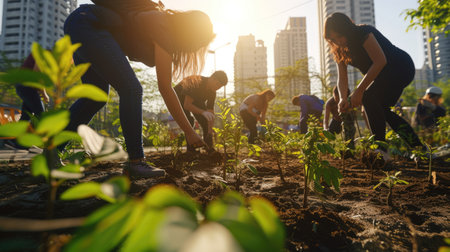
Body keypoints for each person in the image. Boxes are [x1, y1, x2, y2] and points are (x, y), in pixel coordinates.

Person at [63, 1, 215, 178]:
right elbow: (165, 88)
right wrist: (189, 132)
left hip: (80, 23)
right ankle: (136, 161)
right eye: (200, 42)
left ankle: (52, 152)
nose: (197, 48)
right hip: (88, 25)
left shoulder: (163, 27)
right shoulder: (163, 26)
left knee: (95, 97)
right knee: (131, 89)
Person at [324, 12, 426, 160]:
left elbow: (380, 61)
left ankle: (381, 151)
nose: (338, 41)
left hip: (401, 67)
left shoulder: (363, 32)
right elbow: (342, 78)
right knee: (381, 110)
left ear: (347, 29)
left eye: (340, 36)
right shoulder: (339, 49)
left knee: (368, 97)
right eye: (333, 39)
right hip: (383, 75)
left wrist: (359, 91)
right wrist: (342, 99)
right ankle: (419, 149)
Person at [174, 70, 228, 152]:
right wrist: (203, 112)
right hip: (178, 97)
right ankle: (191, 150)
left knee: (206, 121)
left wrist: (210, 131)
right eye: (217, 84)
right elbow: (187, 105)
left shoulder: (212, 92)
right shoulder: (196, 82)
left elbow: (210, 112)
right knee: (189, 121)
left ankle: (209, 147)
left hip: (195, 99)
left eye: (220, 87)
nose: (217, 88)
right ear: (212, 78)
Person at [4, 53, 49, 151]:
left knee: (26, 116)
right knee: (40, 115)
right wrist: (44, 93)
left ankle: (16, 142)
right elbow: (36, 73)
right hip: (26, 86)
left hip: (23, 86)